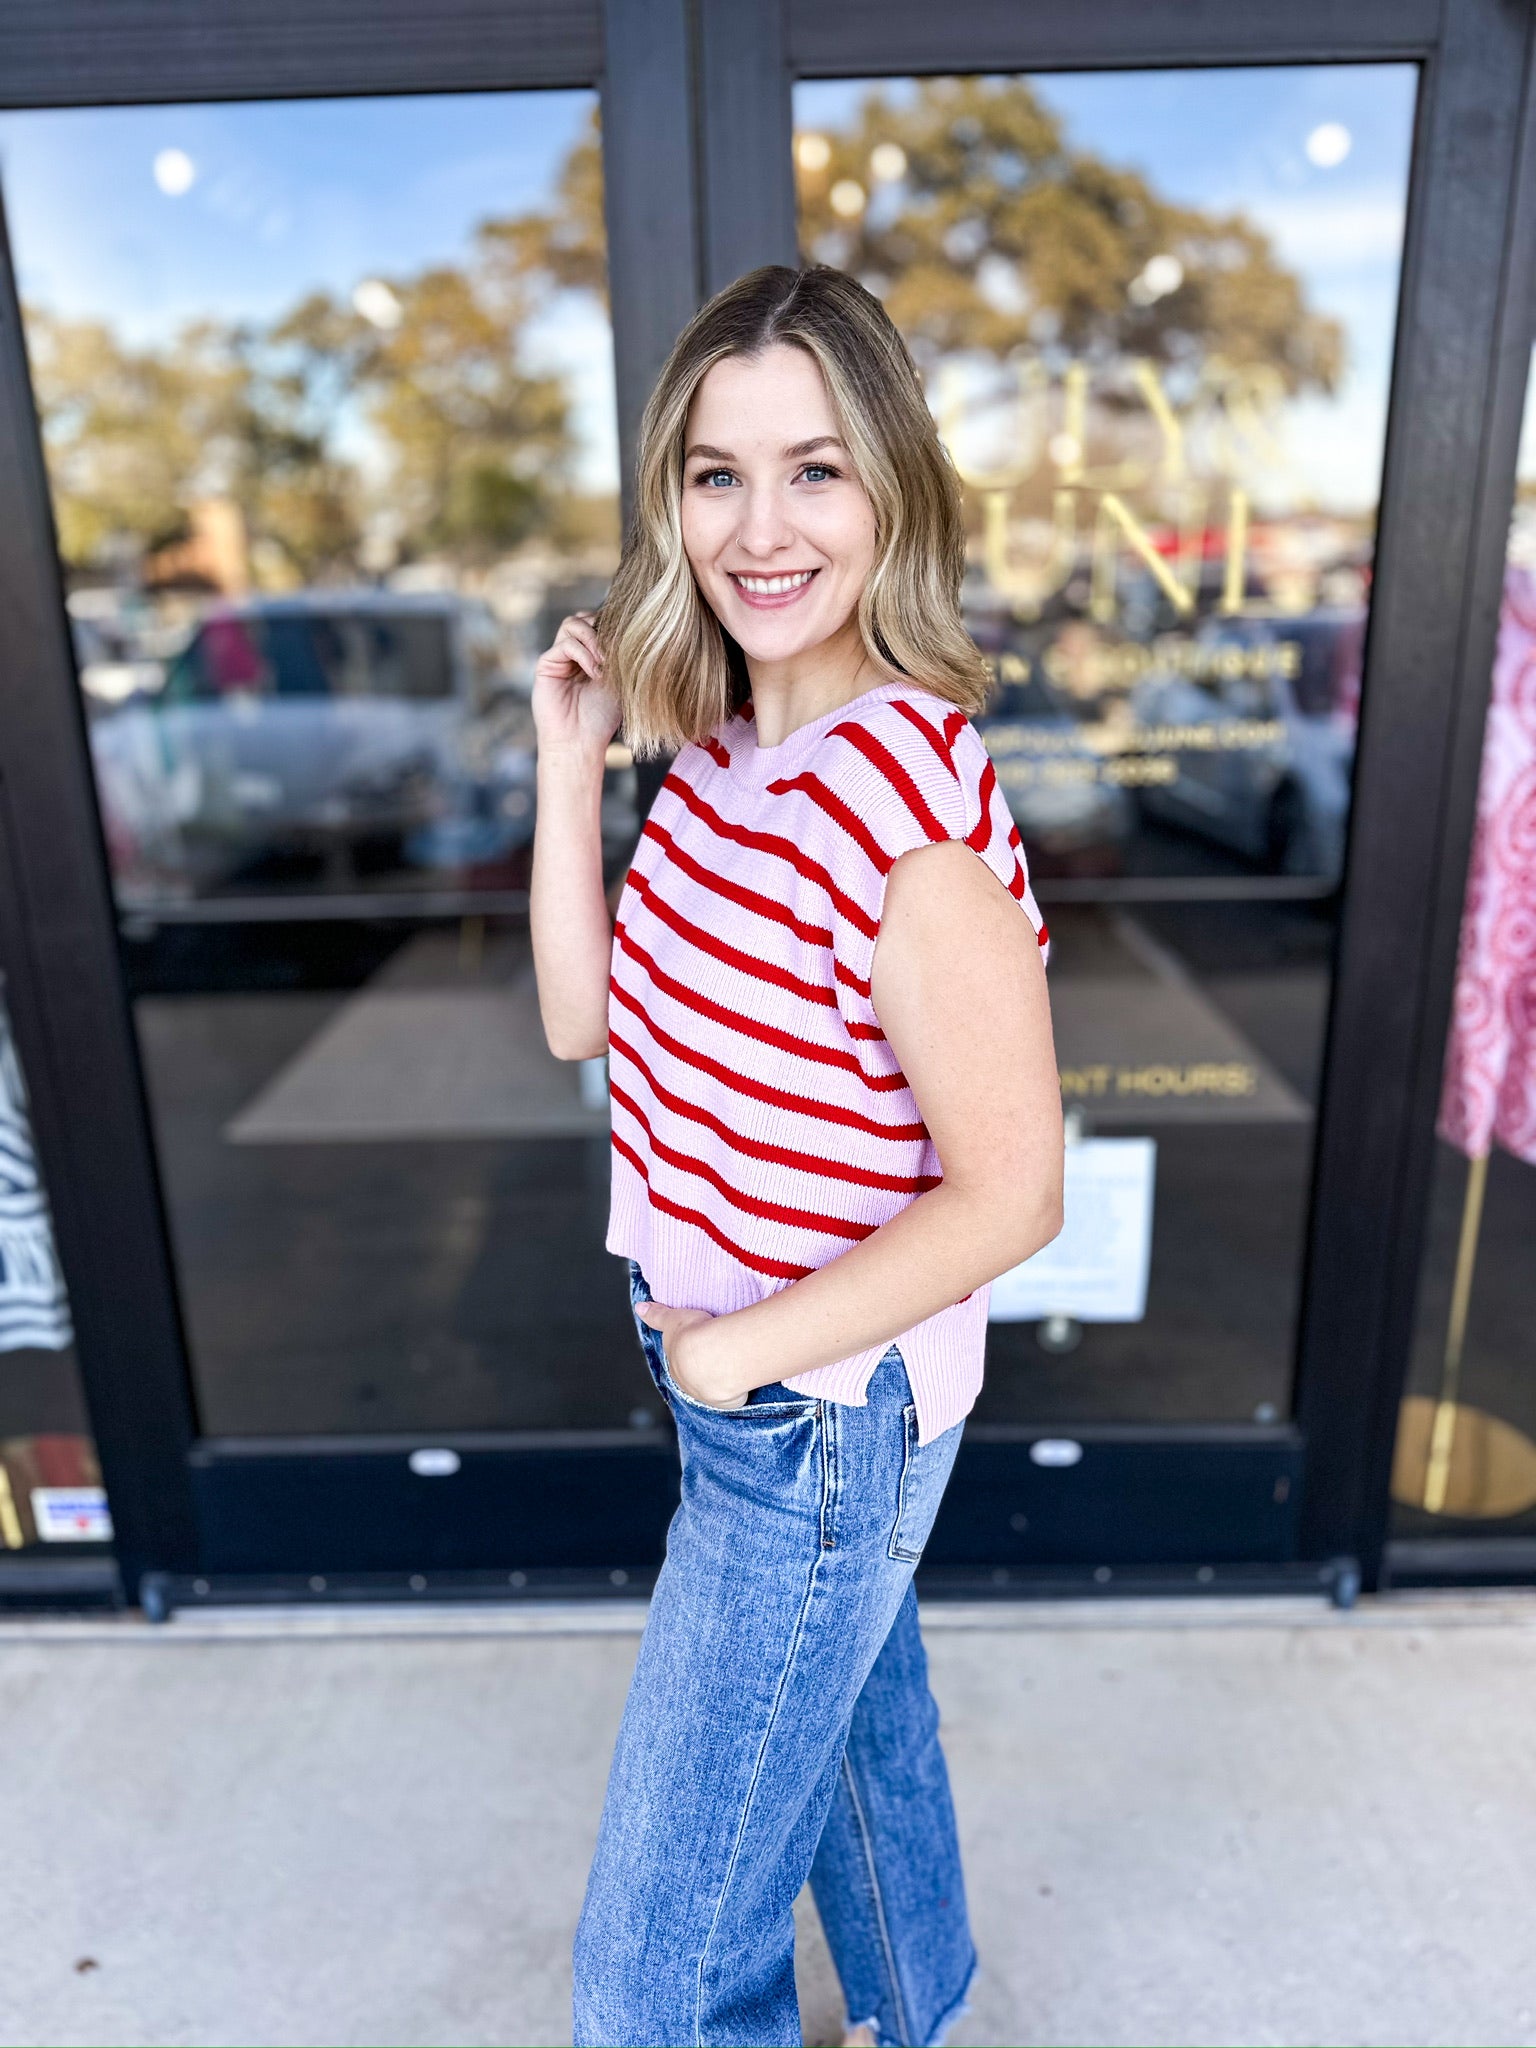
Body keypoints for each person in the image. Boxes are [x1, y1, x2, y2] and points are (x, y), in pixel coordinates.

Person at [530, 263, 1063, 2048]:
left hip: (813, 1414)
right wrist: (570, 768)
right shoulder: (725, 759)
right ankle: (929, 2014)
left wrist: (735, 1356)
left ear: (893, 488)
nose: (762, 528)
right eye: (716, 474)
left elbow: (1014, 1194)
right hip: (741, 1379)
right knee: (843, 1743)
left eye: (816, 470)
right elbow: (577, 1021)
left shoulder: (907, 803)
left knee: (654, 1982)